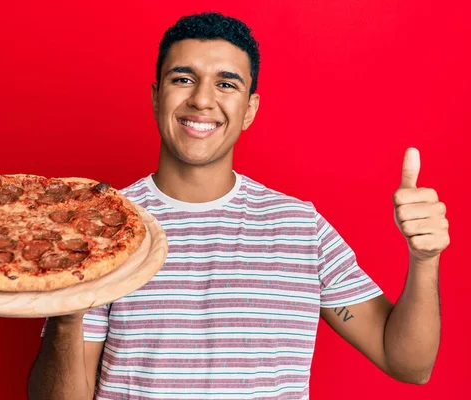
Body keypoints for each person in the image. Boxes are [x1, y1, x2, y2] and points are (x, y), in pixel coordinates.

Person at [27, 12, 450, 400]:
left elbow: (409, 364)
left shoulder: (301, 227)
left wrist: (424, 259)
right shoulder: (104, 230)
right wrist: (67, 312)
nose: (203, 100)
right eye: (183, 79)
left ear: (249, 109)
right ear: (157, 97)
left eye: (226, 83)